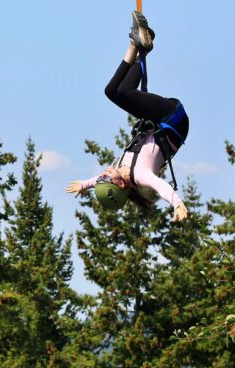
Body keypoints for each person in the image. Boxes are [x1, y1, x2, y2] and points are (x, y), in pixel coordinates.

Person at [66, 12, 190, 222]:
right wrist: (177, 204)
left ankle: (136, 46)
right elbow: (161, 187)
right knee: (124, 93)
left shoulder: (117, 171)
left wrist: (85, 184)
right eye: (106, 178)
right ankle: (142, 47)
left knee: (112, 91)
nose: (104, 173)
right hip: (173, 121)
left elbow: (98, 180)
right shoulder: (141, 175)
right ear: (121, 184)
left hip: (159, 119)